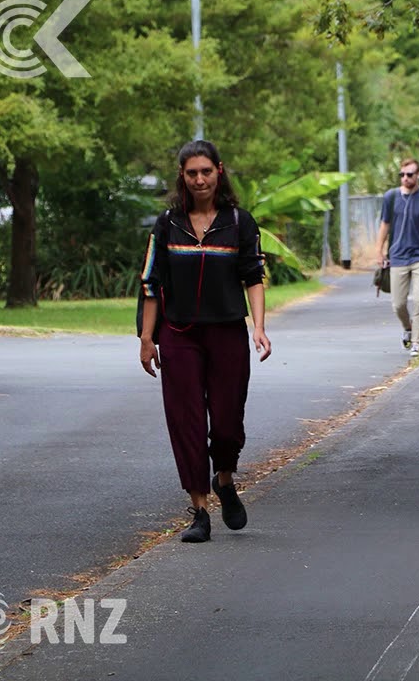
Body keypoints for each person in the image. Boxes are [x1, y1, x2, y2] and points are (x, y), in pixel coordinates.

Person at [139, 140, 272, 544]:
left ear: (219, 171)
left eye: (206, 172)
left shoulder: (239, 222)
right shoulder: (167, 224)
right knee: (187, 422)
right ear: (182, 176)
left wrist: (259, 327)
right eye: (192, 173)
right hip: (179, 335)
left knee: (228, 422)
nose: (200, 180)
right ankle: (199, 510)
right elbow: (150, 284)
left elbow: (253, 276)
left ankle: (225, 479)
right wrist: (147, 338)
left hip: (227, 332)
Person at [377, 158, 419, 356]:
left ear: (418, 175)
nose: (405, 178)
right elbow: (385, 225)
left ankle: (416, 342)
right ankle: (408, 328)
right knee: (398, 304)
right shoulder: (391, 197)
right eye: (402, 175)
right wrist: (379, 251)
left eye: (410, 174)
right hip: (397, 257)